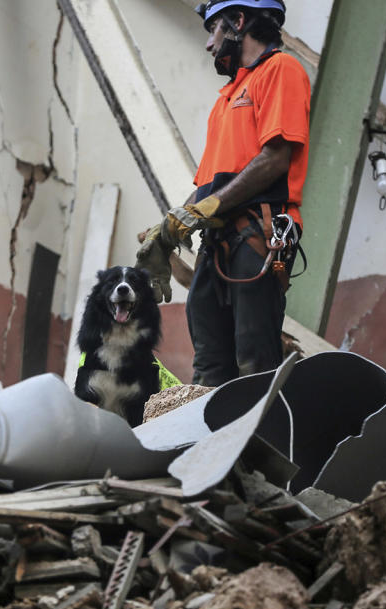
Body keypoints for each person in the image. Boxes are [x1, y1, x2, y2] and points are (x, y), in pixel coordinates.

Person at [136, 0, 309, 386]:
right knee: (209, 367)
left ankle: (261, 445)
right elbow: (209, 186)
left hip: (258, 233)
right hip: (218, 241)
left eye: (213, 29)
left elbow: (276, 157)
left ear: (239, 21)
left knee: (253, 360)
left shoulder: (280, 70)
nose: (209, 44)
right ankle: (215, 445)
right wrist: (166, 233)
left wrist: (209, 207)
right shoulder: (227, 97)